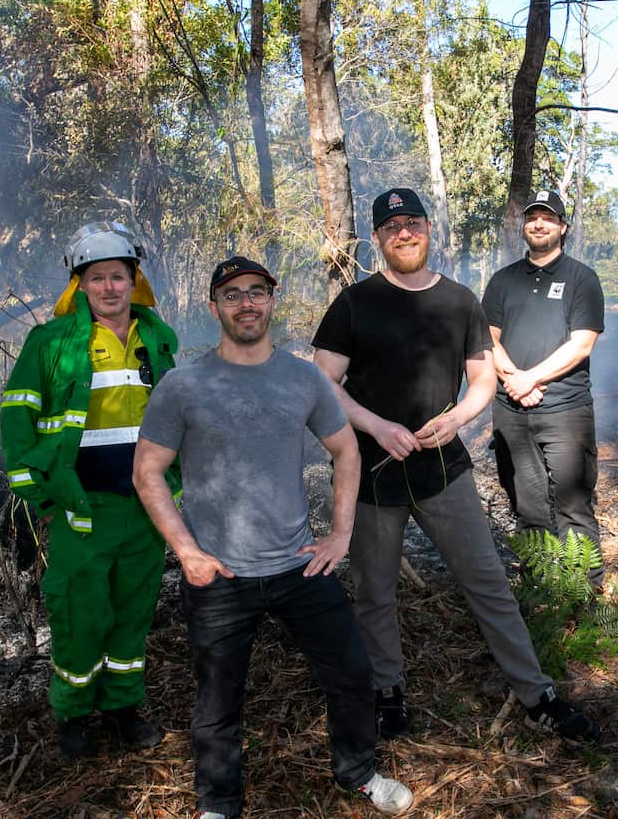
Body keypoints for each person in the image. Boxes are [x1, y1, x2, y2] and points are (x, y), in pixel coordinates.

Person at [312, 187, 599, 744]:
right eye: (391, 226)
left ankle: (536, 693)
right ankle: (387, 692)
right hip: (371, 472)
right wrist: (375, 426)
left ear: (427, 229)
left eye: (412, 222)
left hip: (444, 469)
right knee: (375, 590)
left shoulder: (461, 300)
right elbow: (320, 382)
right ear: (376, 239)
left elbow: (483, 380)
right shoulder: (354, 302)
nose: (403, 232)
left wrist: (460, 420)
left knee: (487, 582)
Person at [132, 257, 413, 819]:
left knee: (353, 672)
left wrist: (339, 535)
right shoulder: (183, 385)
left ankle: (359, 772)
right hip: (219, 576)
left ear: (271, 301)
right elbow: (147, 471)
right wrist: (187, 552)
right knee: (216, 701)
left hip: (297, 569)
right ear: (214, 307)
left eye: (257, 292)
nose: (246, 303)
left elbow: (347, 450)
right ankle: (218, 804)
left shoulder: (303, 376)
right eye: (232, 294)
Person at [0, 221, 177, 758]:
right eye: (96, 278)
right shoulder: (52, 342)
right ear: (80, 284)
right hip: (84, 509)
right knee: (80, 614)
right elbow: (17, 416)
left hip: (145, 508)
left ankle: (123, 707)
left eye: (118, 277)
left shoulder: (156, 335)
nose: (108, 288)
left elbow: (175, 414)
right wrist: (40, 491)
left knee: (132, 611)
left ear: (133, 281)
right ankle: (73, 716)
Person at [482, 189, 606, 587]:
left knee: (574, 505)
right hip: (511, 413)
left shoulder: (581, 278)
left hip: (566, 411)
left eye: (548, 218)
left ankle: (583, 594)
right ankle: (538, 594)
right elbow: (487, 339)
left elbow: (582, 343)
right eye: (533, 217)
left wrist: (528, 379)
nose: (538, 223)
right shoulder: (503, 281)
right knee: (527, 504)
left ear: (562, 227)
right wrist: (513, 381)